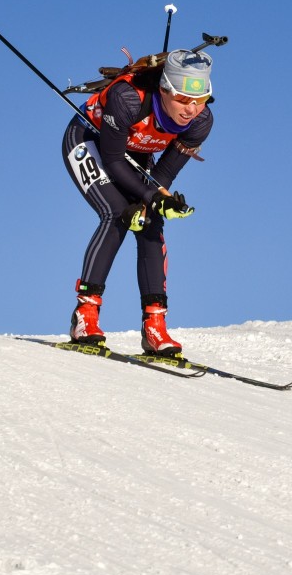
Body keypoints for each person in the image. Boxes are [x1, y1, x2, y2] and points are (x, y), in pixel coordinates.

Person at [61, 49, 214, 356]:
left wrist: (154, 200)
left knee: (151, 221)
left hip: (135, 153)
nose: (191, 109)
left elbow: (165, 173)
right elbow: (113, 160)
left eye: (200, 100)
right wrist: (149, 196)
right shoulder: (127, 98)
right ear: (164, 89)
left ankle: (155, 325)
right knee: (117, 213)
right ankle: (85, 314)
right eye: (183, 99)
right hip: (89, 139)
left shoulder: (201, 122)